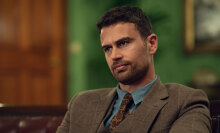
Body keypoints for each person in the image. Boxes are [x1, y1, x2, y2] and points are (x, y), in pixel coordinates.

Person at [56, 6, 211, 133]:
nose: (114, 55)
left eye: (123, 43)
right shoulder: (81, 103)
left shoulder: (185, 102)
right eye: (107, 48)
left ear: (151, 44)